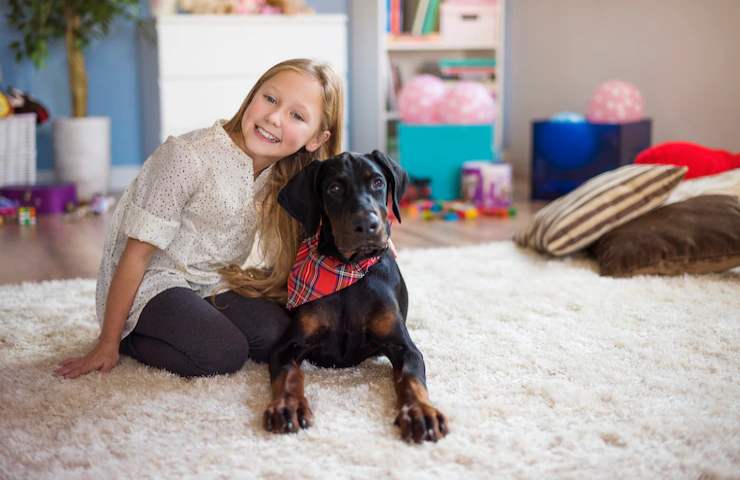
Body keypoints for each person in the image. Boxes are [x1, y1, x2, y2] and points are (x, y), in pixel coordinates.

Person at [54, 58, 344, 379]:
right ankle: (131, 339)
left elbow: (339, 205)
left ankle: (195, 322)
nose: (274, 117)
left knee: (278, 336)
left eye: (297, 115)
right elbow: (135, 254)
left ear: (316, 139)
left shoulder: (289, 173)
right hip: (152, 281)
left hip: (212, 281)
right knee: (223, 353)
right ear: (253, 95)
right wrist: (107, 341)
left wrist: (380, 238)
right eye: (270, 99)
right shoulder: (187, 156)